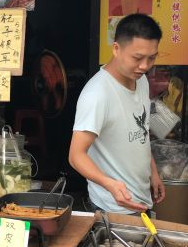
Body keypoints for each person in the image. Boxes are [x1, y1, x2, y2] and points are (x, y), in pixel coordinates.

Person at [69, 14, 165, 214]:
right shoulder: (97, 94)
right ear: (116, 49)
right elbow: (76, 155)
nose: (145, 66)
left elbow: (142, 132)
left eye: (152, 58)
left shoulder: (141, 80)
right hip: (112, 207)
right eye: (137, 58)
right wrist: (108, 183)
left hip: (142, 199)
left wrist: (153, 173)